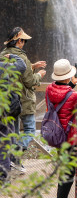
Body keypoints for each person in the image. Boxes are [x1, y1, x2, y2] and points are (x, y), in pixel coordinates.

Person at [1, 27, 46, 157]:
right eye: (24, 41)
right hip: (24, 100)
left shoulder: (3, 55)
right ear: (19, 41)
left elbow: (13, 70)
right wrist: (39, 75)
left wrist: (32, 66)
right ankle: (17, 153)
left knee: (13, 133)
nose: (24, 43)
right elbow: (30, 81)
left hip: (8, 100)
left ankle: (12, 161)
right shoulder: (22, 57)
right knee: (30, 130)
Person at [46, 58, 77, 198]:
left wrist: (71, 84)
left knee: (64, 168)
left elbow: (59, 95)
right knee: (69, 171)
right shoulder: (74, 95)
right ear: (68, 76)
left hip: (55, 133)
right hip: (70, 137)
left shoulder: (49, 89)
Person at [0, 51, 26, 180]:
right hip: (4, 110)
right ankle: (4, 176)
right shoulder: (3, 67)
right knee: (5, 142)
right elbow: (22, 65)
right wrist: (12, 56)